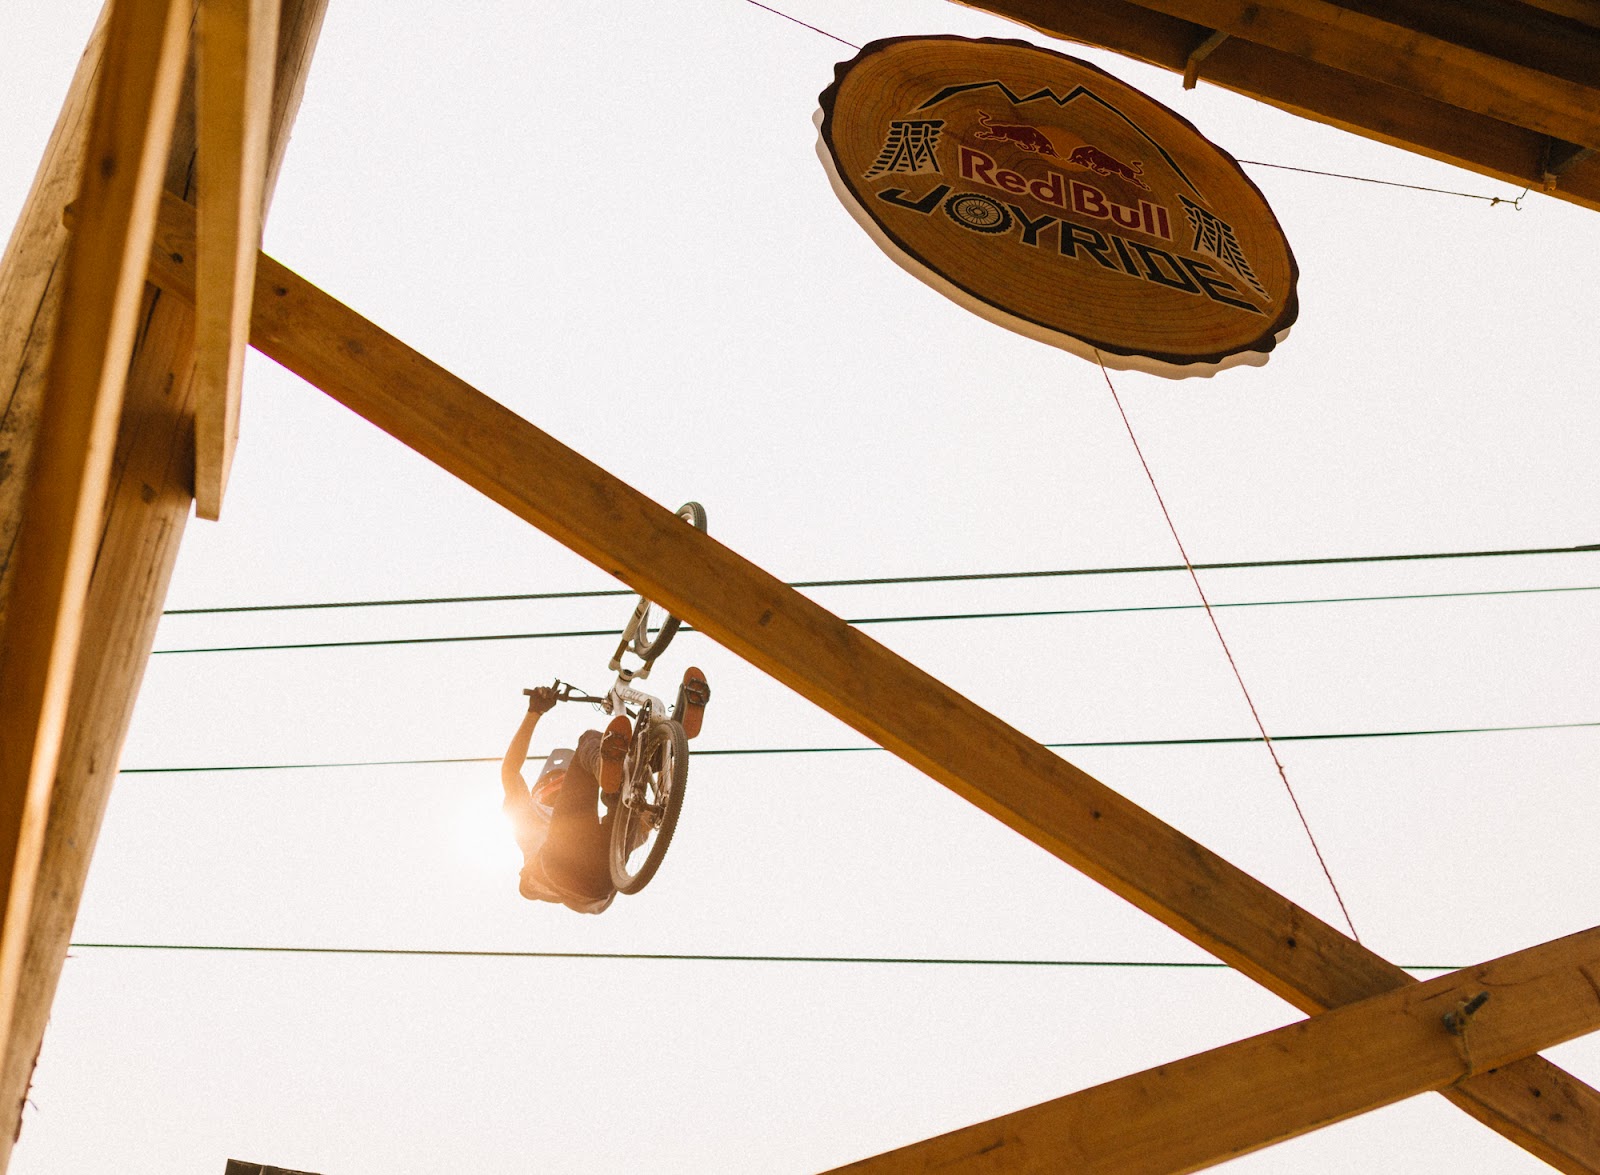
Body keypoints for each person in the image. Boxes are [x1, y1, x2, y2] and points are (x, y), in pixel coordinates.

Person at [500, 685, 631, 914]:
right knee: (590, 740)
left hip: (602, 886)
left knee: (625, 799)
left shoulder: (575, 821)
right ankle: (604, 764)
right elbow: (510, 771)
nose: (563, 786)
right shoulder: (526, 815)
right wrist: (533, 713)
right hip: (561, 871)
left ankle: (651, 758)